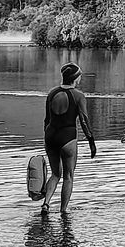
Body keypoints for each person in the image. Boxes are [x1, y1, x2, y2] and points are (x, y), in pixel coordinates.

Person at [41, 62, 95, 213]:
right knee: (68, 176)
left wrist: (47, 138)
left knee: (55, 174)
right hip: (67, 137)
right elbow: (84, 120)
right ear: (75, 78)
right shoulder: (78, 95)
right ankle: (63, 211)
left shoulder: (52, 93)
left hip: (50, 136)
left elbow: (46, 120)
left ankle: (46, 204)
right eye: (80, 76)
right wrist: (91, 141)